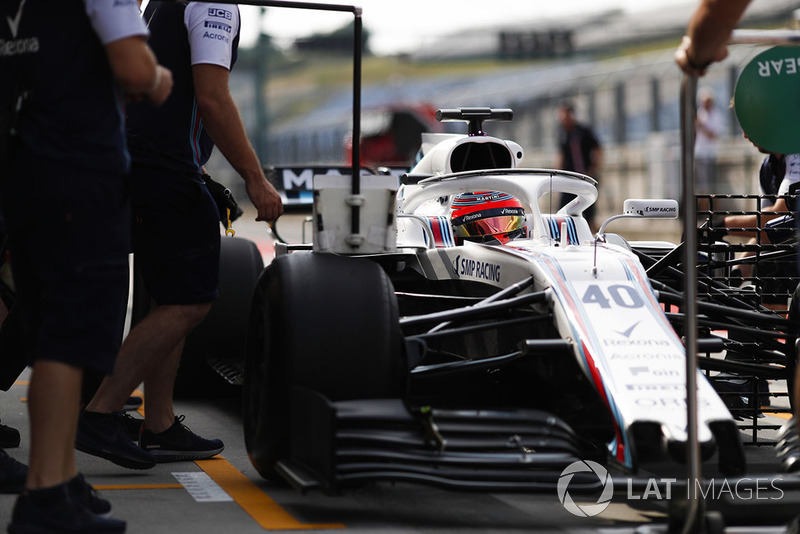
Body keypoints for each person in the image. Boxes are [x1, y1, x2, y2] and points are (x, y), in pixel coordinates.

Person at [76, 1, 284, 470]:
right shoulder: (213, 5)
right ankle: (101, 412)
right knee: (189, 301)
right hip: (164, 168)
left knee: (170, 295)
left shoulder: (165, 3)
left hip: (132, 159)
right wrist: (255, 178)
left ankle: (160, 423)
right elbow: (212, 98)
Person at [0, 0, 172, 532]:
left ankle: (61, 478)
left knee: (50, 333)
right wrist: (160, 77)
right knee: (66, 343)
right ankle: (46, 498)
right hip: (78, 173)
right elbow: (133, 66)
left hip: (20, 171)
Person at [554, 101, 603, 232]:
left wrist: (593, 169)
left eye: (565, 116)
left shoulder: (583, 131)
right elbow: (562, 154)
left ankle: (594, 236)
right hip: (568, 178)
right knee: (563, 209)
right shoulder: (563, 133)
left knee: (588, 212)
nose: (563, 119)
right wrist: (556, 173)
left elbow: (598, 149)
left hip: (585, 177)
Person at [694, 87, 723, 214]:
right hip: (700, 154)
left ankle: (713, 212)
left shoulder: (716, 115)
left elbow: (714, 135)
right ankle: (703, 212)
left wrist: (702, 126)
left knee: (713, 185)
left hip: (711, 154)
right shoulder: (700, 114)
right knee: (702, 186)